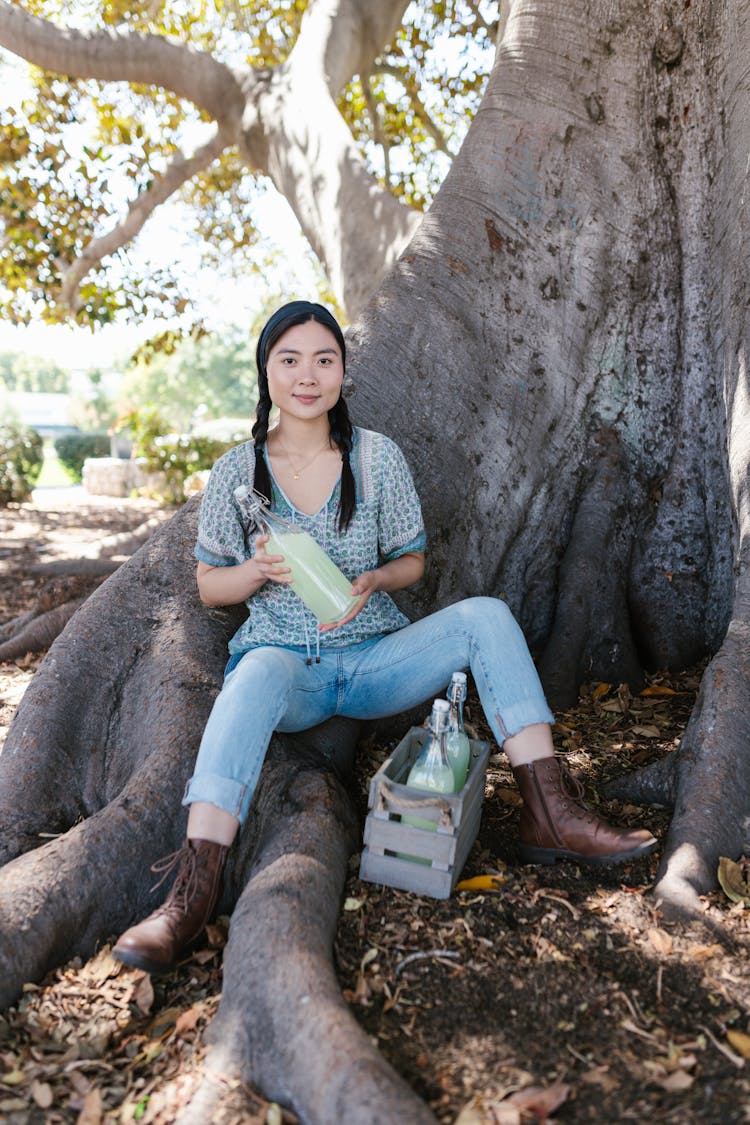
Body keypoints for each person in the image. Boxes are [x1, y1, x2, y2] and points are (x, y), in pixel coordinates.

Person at [113, 300, 656, 975]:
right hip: (290, 669)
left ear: (342, 370)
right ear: (266, 372)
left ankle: (550, 810)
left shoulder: (376, 458)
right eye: (289, 360)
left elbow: (415, 560)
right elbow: (206, 585)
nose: (307, 375)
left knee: (485, 614)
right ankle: (192, 890)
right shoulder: (237, 473)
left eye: (324, 359)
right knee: (250, 674)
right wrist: (254, 570)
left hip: (374, 659)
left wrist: (374, 578)